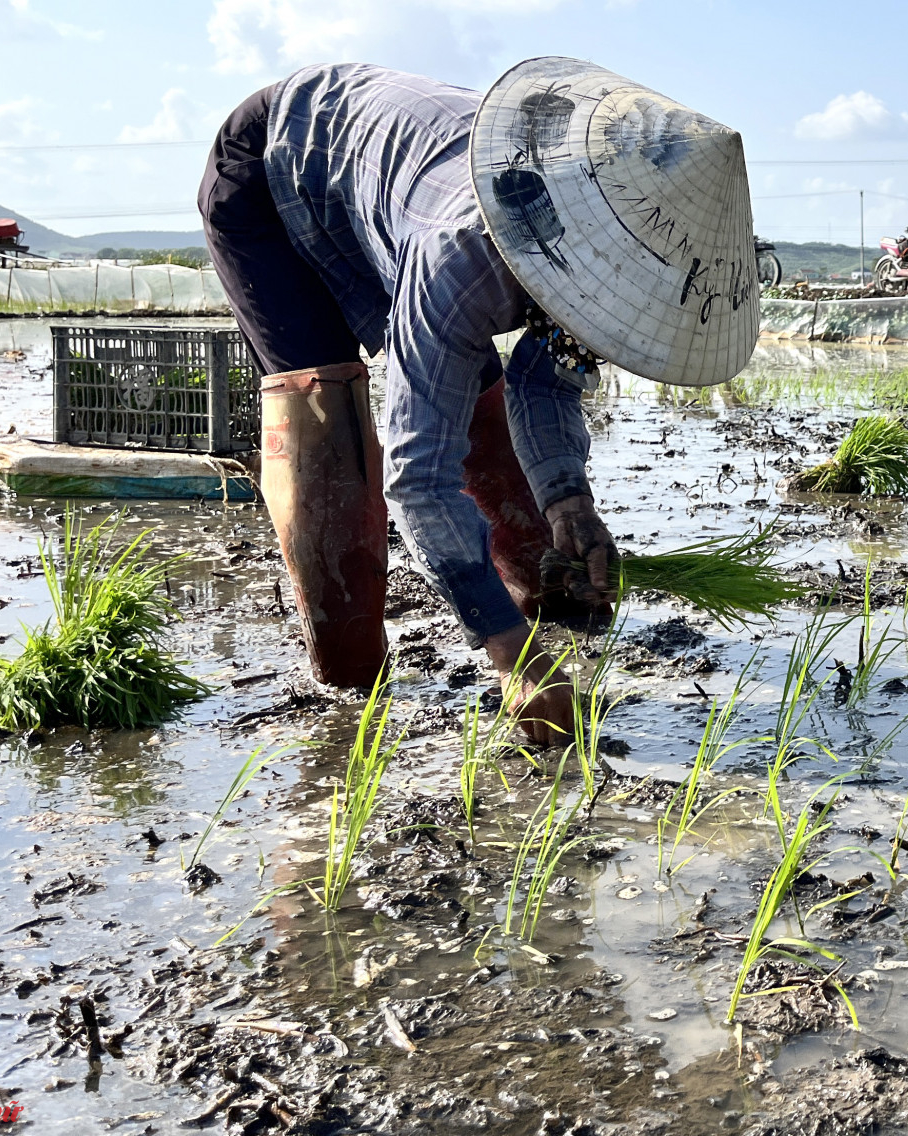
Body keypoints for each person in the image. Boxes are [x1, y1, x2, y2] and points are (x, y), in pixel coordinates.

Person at [199, 59, 758, 741]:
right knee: (326, 418)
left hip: (380, 195)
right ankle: (348, 681)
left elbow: (547, 377)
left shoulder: (605, 245)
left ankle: (537, 595)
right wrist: (511, 654)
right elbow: (419, 481)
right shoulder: (466, 257)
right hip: (273, 171)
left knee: (479, 413)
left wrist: (568, 502)